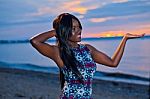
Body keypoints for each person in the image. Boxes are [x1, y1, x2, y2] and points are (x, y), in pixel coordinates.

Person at [30, 13, 145, 99]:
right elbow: (35, 41)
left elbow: (113, 63)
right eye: (73, 28)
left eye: (79, 27)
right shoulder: (58, 52)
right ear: (64, 30)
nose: (79, 30)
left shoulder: (87, 49)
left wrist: (124, 39)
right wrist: (57, 31)